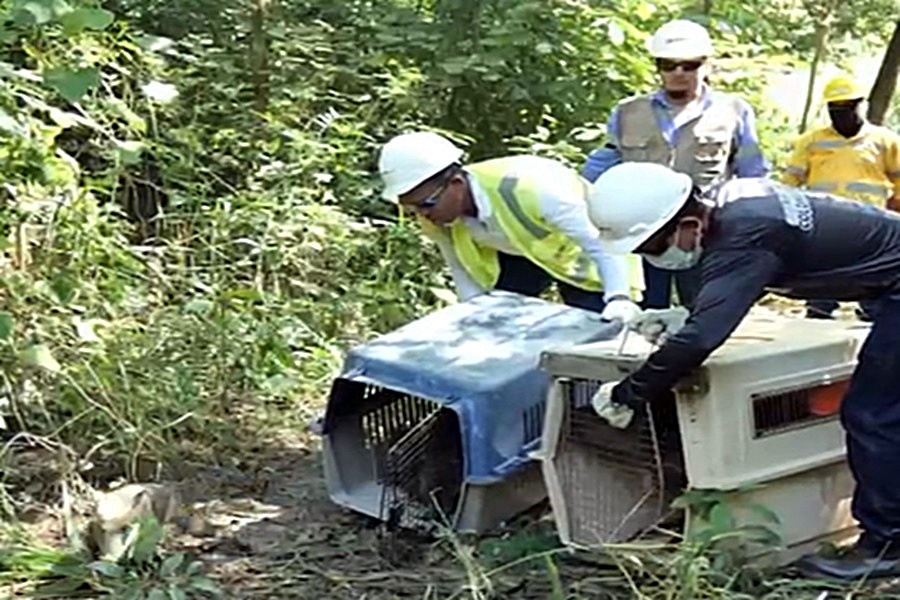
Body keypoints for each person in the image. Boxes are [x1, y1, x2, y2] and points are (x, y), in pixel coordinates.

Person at [585, 160, 900, 581]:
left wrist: (628, 393)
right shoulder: (736, 205)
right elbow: (732, 292)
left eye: (653, 247)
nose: (653, 258)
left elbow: (701, 340)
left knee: (873, 413)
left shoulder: (747, 232)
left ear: (689, 223)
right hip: (887, 285)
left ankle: (887, 545)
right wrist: (690, 315)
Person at [582, 19, 769, 311]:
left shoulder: (733, 110)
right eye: (668, 65)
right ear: (657, 67)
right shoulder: (627, 112)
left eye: (689, 64)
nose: (678, 73)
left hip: (705, 234)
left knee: (705, 311)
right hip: (644, 233)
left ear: (705, 64)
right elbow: (602, 167)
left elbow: (753, 174)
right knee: (645, 313)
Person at [377, 131, 643, 321]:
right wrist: (473, 318)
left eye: (425, 205)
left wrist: (618, 298)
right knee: (500, 322)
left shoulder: (535, 188)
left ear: (456, 184)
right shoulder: (433, 213)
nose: (421, 216)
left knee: (599, 328)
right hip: (516, 254)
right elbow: (459, 268)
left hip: (582, 255)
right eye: (410, 210)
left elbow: (601, 243)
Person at [782, 74, 900, 320]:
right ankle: (819, 310)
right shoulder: (812, 142)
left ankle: (872, 313)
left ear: (860, 105)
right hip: (826, 223)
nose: (841, 113)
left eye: (847, 107)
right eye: (834, 108)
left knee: (873, 272)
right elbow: (790, 183)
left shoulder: (885, 141)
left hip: (872, 223)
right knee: (824, 269)